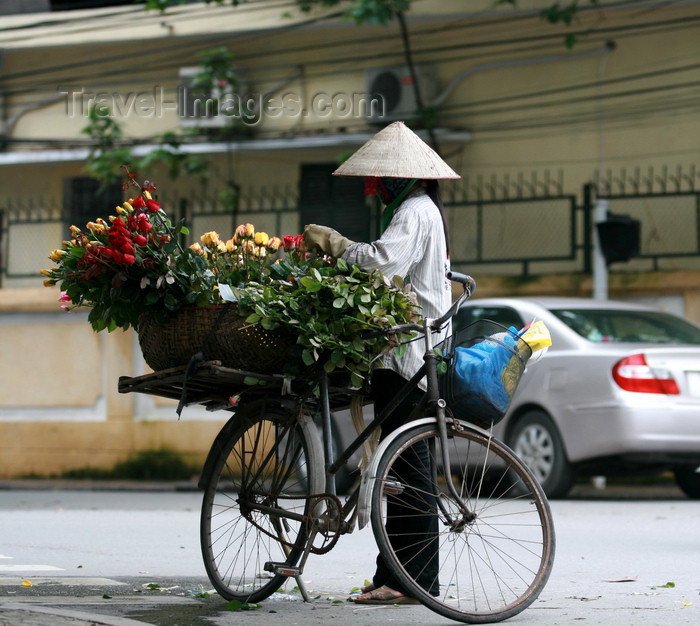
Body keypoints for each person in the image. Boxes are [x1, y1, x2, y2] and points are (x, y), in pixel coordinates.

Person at [303, 120, 460, 605]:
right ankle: (398, 574)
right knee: (404, 467)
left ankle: (410, 581)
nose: (377, 190)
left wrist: (339, 246)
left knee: (407, 468)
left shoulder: (414, 211)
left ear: (399, 180)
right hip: (417, 349)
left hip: (411, 352)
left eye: (382, 181)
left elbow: (382, 263)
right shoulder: (422, 210)